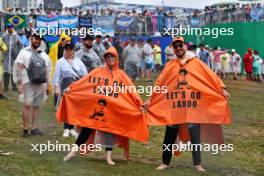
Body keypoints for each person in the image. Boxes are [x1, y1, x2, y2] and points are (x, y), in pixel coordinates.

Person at [144, 36, 231, 172]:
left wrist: (222, 89)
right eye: (175, 46)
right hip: (174, 106)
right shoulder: (170, 65)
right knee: (169, 136)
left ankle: (197, 164)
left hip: (193, 106)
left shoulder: (196, 62)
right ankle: (165, 162)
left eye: (180, 45)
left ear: (185, 46)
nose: (178, 48)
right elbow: (160, 83)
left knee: (195, 136)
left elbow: (211, 76)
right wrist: (151, 99)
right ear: (173, 48)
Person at [61, 47, 147, 165]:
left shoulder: (121, 75)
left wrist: (139, 104)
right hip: (96, 108)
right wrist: (71, 88)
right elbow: (85, 81)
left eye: (112, 57)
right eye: (108, 57)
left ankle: (108, 157)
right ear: (105, 59)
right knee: (87, 128)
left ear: (116, 58)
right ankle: (73, 152)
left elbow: (131, 90)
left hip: (111, 110)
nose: (110, 59)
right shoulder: (98, 71)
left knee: (109, 131)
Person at [13, 32, 52, 137]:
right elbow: (18, 67)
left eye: (39, 39)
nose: (37, 41)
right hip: (28, 83)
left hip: (41, 84)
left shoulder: (43, 54)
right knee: (27, 105)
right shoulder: (24, 52)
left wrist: (48, 84)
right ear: (31, 39)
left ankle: (34, 128)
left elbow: (48, 70)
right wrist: (20, 83)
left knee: (37, 106)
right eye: (35, 39)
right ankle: (25, 129)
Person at [53, 43, 87, 138]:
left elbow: (85, 74)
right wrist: (56, 87)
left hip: (76, 87)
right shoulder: (60, 62)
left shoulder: (78, 61)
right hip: (65, 85)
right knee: (66, 107)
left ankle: (71, 128)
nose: (68, 52)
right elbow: (57, 75)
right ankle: (66, 128)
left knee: (74, 108)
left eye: (70, 49)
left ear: (73, 50)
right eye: (67, 49)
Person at [49, 33, 71, 107]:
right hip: (56, 68)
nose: (67, 42)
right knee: (56, 85)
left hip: (65, 69)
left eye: (68, 41)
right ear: (62, 40)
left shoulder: (67, 49)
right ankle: (56, 104)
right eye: (66, 40)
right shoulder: (54, 47)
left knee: (64, 86)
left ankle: (63, 103)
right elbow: (50, 58)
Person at [2, 23, 23, 92]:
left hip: (14, 56)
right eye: (8, 27)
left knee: (13, 71)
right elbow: (1, 43)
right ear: (7, 28)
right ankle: (5, 87)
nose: (9, 29)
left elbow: (21, 45)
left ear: (13, 28)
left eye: (10, 27)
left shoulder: (16, 36)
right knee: (6, 71)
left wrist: (19, 54)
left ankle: (14, 86)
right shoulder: (4, 36)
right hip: (6, 56)